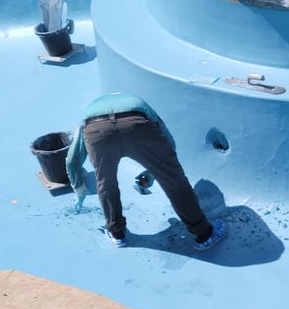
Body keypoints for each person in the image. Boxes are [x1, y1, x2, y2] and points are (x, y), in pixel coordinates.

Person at [64, 93, 218, 250]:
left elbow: (72, 160)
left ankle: (117, 233)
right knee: (173, 180)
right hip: (137, 123)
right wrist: (152, 173)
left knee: (105, 182)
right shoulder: (139, 103)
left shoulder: (86, 114)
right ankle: (204, 234)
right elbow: (169, 142)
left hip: (96, 130)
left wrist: (79, 190)